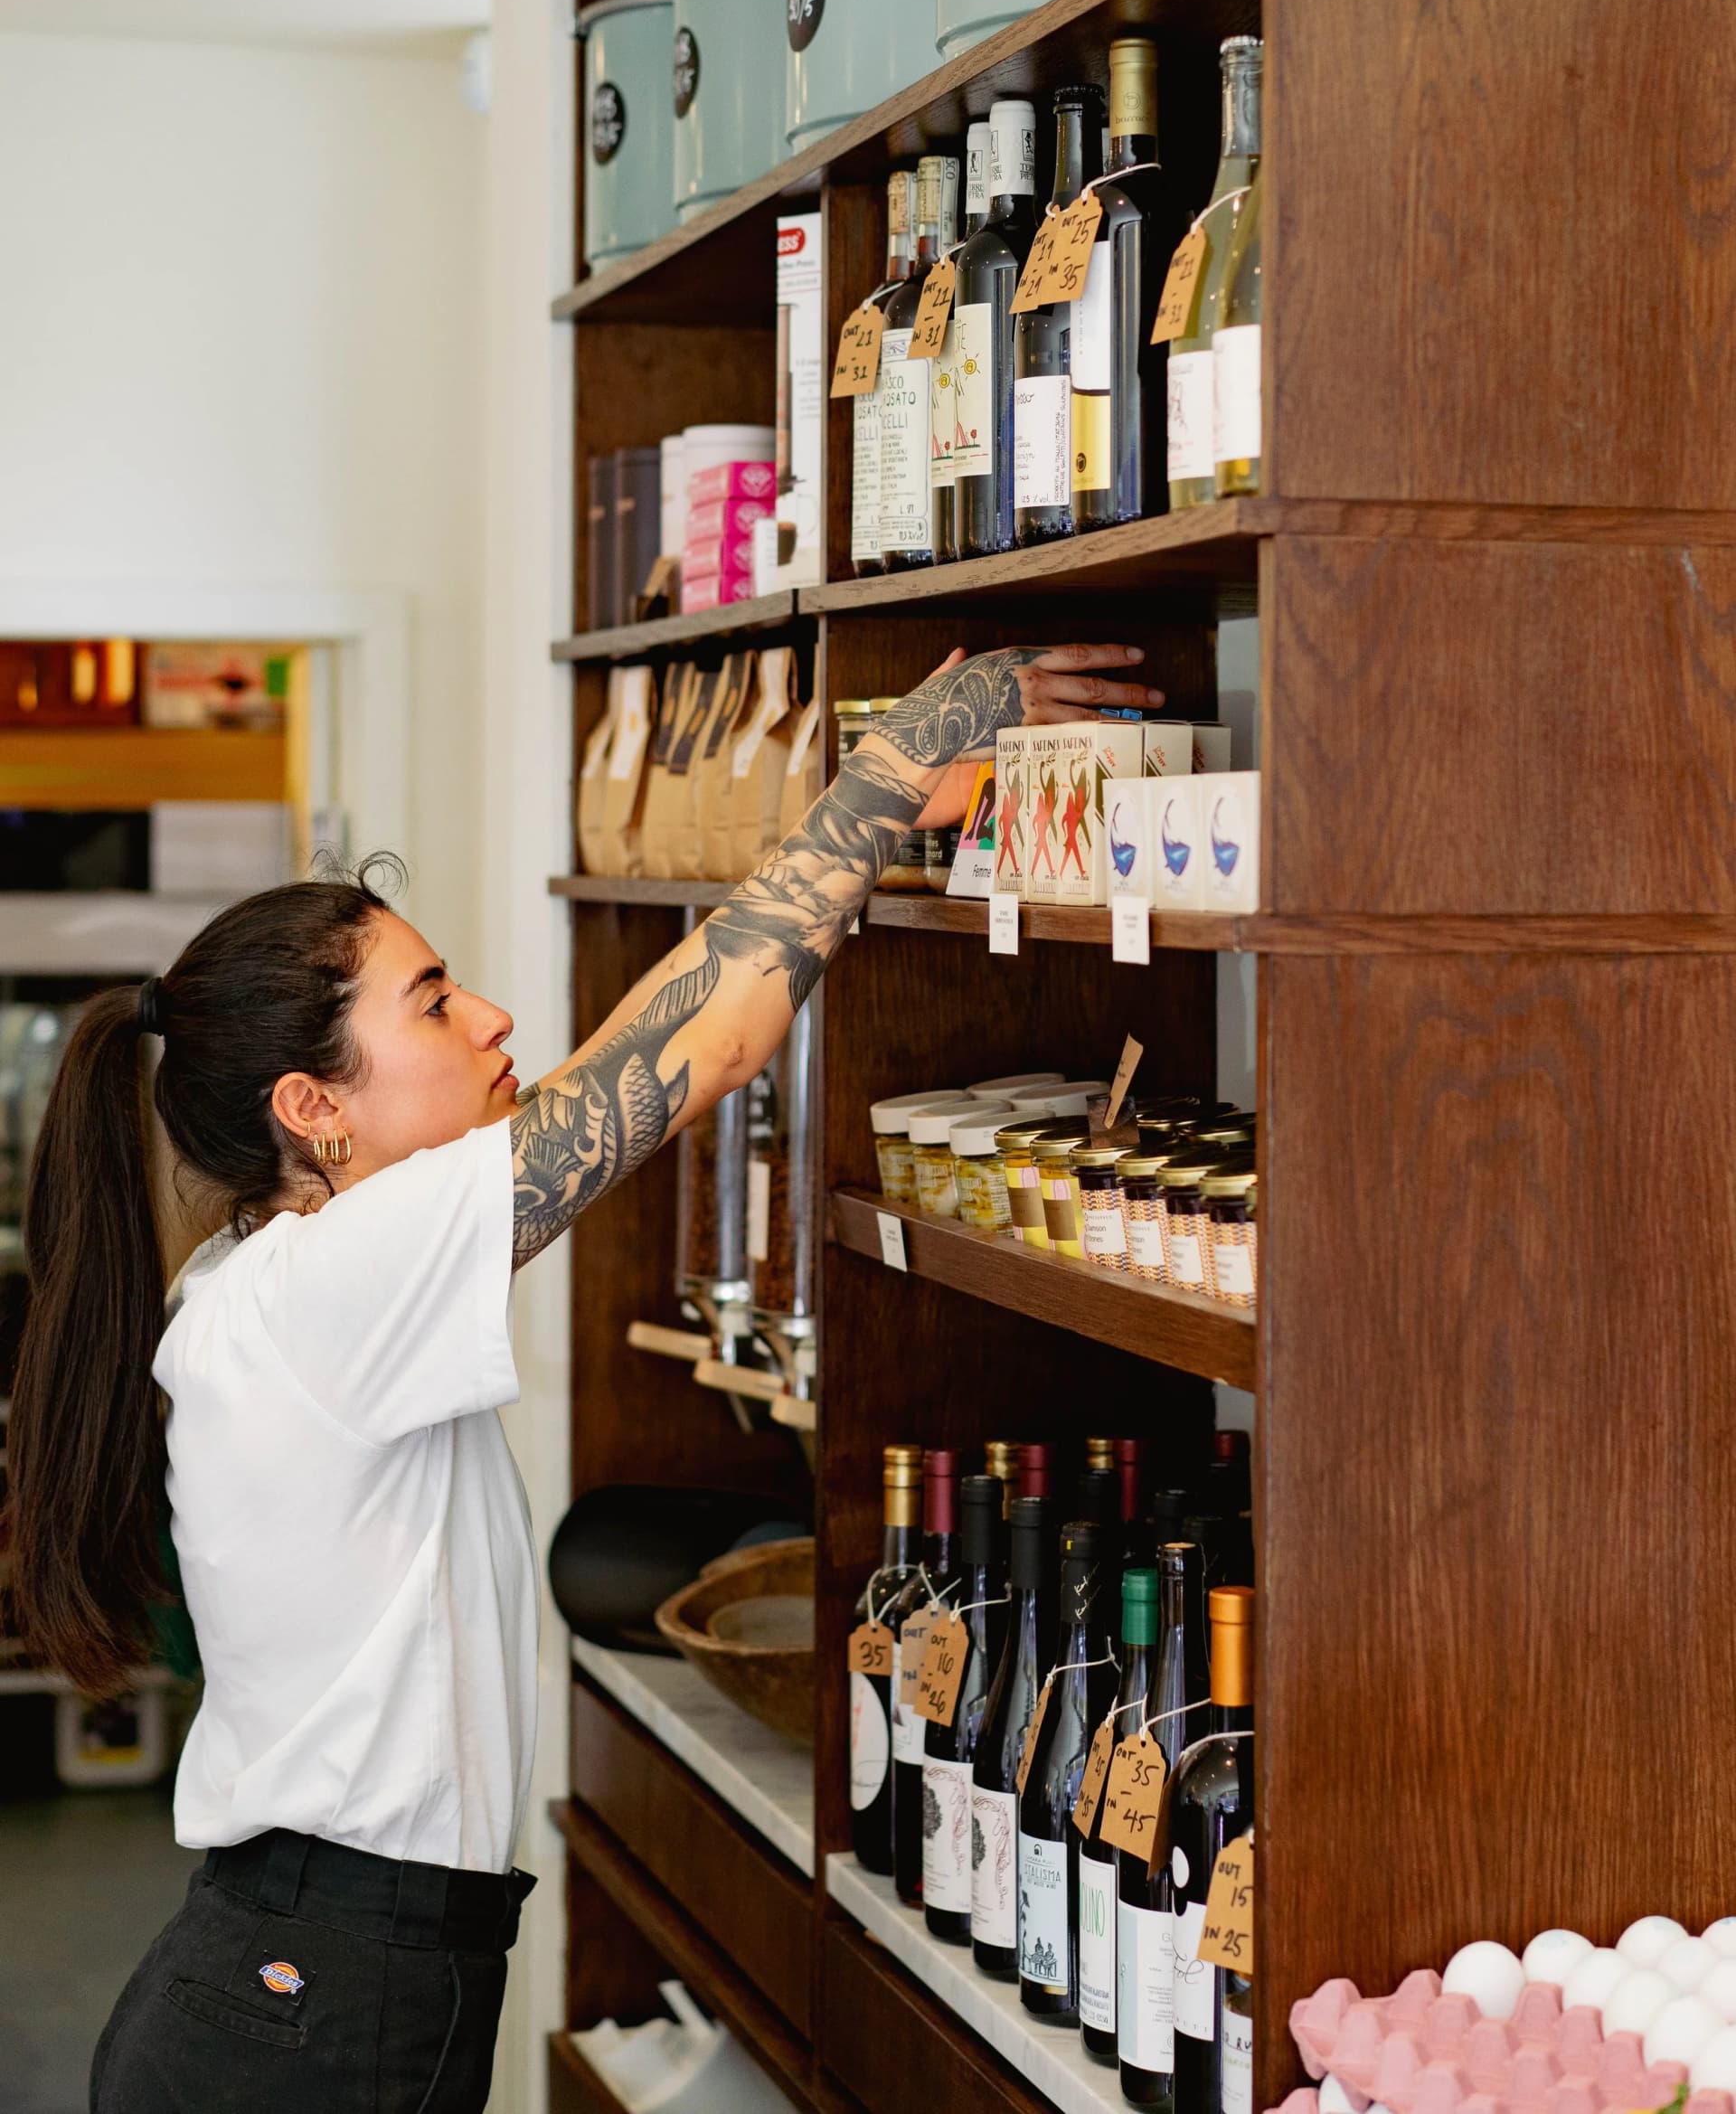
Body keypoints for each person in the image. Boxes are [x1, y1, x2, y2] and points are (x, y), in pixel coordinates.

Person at [5, 638, 1158, 2111]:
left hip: (315, 1976)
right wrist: (888, 769)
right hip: (315, 2004)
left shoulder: (298, 1270)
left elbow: (643, 1041)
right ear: (314, 1109)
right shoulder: (324, 1290)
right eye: (431, 1003)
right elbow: (707, 1043)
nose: (488, 1019)